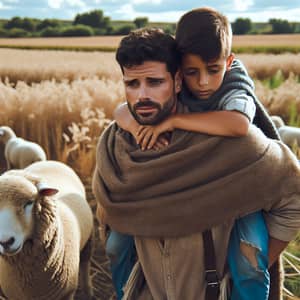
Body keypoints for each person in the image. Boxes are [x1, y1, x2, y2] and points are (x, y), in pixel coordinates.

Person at [93, 27, 300, 300]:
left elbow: (293, 195)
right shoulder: (116, 143)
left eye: (155, 82)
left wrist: (250, 267)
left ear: (178, 82)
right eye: (132, 84)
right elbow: (108, 221)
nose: (142, 95)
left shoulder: (228, 141)